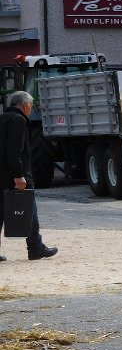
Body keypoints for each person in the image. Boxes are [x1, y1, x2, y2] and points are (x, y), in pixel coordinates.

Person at [0, 91, 58, 262]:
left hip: (1, 174)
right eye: (31, 105)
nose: (30, 108)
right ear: (25, 105)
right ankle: (35, 247)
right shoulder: (19, 120)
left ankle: (35, 247)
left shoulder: (2, 118)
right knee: (30, 209)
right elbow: (14, 151)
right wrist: (19, 175)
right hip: (15, 175)